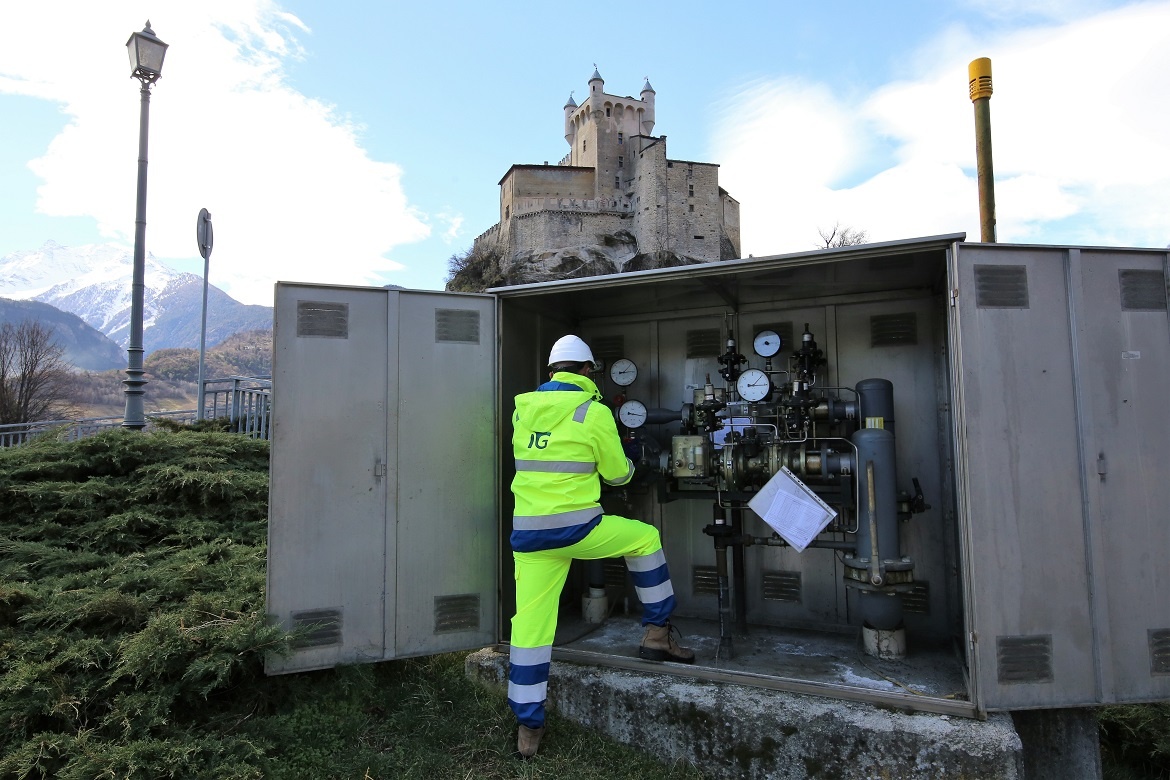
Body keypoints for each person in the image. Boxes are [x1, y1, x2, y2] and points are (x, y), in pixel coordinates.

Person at [507, 334, 694, 759]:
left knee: (530, 629)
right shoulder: (593, 412)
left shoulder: (522, 411)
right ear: (588, 370)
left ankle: (527, 732)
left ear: (551, 371)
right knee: (645, 538)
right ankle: (657, 635)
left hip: (530, 536)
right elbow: (617, 476)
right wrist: (633, 465)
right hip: (578, 528)